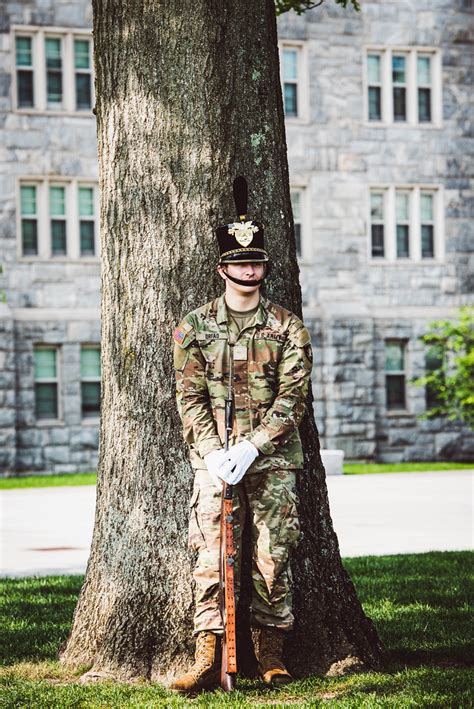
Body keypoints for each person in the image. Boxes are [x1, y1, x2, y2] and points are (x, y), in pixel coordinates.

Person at [170, 177, 313, 694]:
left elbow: (293, 398)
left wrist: (253, 445)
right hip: (214, 462)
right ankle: (208, 654)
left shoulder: (287, 328)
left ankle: (270, 654)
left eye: (256, 263)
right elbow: (189, 397)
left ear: (265, 268)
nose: (248, 270)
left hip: (271, 460)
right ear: (223, 268)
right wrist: (213, 454)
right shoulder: (193, 328)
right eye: (239, 263)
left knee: (274, 552)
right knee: (210, 553)